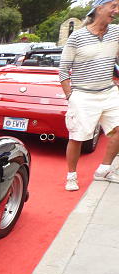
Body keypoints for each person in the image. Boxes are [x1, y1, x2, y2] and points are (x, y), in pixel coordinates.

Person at [59, 0, 119, 191]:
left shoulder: (116, 32)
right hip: (83, 96)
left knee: (118, 131)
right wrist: (71, 96)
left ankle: (104, 170)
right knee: (78, 137)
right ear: (99, 8)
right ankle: (71, 176)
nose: (116, 11)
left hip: (109, 92)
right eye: (114, 6)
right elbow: (63, 70)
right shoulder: (77, 37)